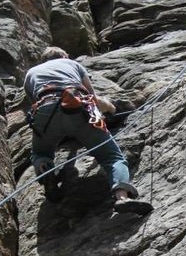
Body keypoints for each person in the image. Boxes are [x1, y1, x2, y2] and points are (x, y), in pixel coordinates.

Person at [24, 46, 152, 214]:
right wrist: (113, 110)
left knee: (40, 153)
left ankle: (46, 169)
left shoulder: (31, 73)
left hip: (44, 112)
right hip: (78, 109)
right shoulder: (71, 64)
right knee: (112, 158)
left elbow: (33, 102)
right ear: (64, 55)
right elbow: (92, 98)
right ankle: (122, 197)